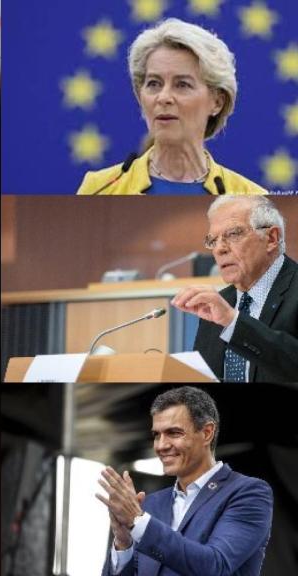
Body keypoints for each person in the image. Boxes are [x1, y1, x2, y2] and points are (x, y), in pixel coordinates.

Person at [97, 386, 272, 576]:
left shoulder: (249, 493)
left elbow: (215, 565)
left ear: (207, 433)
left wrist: (138, 522)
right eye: (157, 434)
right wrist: (123, 544)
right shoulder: (149, 504)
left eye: (174, 433)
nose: (161, 446)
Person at [77, 18, 265, 195]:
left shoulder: (253, 197)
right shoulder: (98, 188)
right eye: (154, 83)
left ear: (217, 102)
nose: (164, 97)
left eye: (182, 84)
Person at [171, 196, 298, 382]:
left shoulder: (225, 312)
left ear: (271, 238)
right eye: (213, 240)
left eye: (233, 234)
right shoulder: (218, 304)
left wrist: (233, 322)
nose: (219, 249)